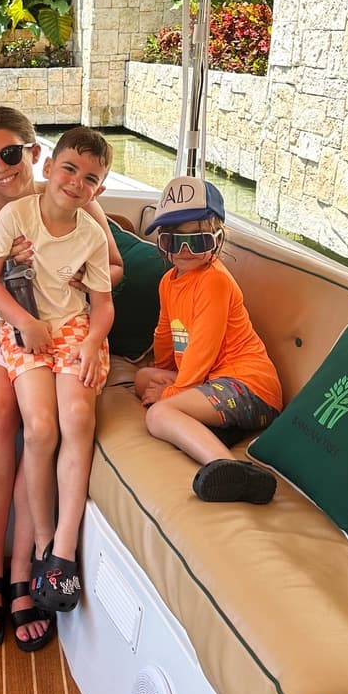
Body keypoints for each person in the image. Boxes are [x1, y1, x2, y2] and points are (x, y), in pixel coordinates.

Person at [0, 108, 124, 650]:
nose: (0, 166)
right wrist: (15, 269)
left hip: (64, 322)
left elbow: (110, 273)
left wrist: (55, 271)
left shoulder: (82, 206)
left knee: (44, 419)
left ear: (35, 154)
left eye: (11, 153)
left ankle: (29, 566)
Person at [0, 127, 114, 613]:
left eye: (90, 178)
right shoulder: (17, 214)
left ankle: (63, 550)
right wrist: (26, 322)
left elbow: (102, 305)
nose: (76, 182)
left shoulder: (93, 234)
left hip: (76, 328)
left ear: (100, 187)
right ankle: (40, 542)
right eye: (70, 169)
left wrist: (95, 342)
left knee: (76, 416)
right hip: (24, 327)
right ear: (49, 165)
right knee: (39, 427)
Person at [134, 176, 282, 504]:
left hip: (251, 388)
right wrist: (162, 376)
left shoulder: (214, 281)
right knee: (143, 378)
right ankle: (214, 428)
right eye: (174, 242)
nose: (184, 251)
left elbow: (202, 349)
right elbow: (164, 335)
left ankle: (232, 469)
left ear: (217, 239)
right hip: (216, 382)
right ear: (161, 242)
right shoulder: (168, 282)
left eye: (197, 241)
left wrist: (172, 394)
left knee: (158, 415)